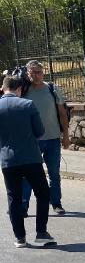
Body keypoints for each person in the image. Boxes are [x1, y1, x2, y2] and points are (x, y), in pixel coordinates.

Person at [0, 76, 55, 248]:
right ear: (19, 89)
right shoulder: (27, 105)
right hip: (31, 158)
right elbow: (39, 131)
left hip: (8, 160)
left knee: (13, 198)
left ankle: (20, 238)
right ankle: (41, 232)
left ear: (3, 88)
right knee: (43, 193)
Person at [22, 60, 69, 216]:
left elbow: (62, 113)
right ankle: (23, 206)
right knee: (28, 175)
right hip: (32, 140)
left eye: (39, 72)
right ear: (27, 73)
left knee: (54, 173)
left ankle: (56, 203)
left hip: (53, 139)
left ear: (43, 73)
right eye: (33, 72)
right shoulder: (23, 91)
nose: (37, 75)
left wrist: (66, 136)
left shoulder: (52, 89)